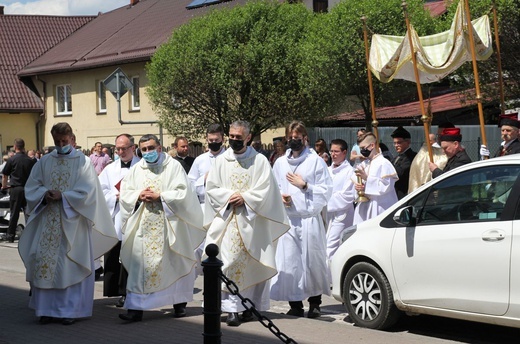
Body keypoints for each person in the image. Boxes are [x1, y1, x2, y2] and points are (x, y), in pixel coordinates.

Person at [18, 122, 118, 325]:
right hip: (47, 220)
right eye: (57, 141)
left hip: (73, 223)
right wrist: (44, 194)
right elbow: (32, 186)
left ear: (72, 139)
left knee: (69, 266)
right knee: (43, 263)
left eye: (64, 141)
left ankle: (70, 312)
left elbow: (88, 192)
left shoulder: (83, 162)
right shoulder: (44, 161)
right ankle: (45, 310)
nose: (61, 144)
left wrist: (64, 196)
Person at [204, 120, 290, 327]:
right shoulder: (221, 161)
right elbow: (212, 188)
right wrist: (228, 196)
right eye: (231, 136)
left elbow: (267, 190)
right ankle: (232, 309)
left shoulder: (259, 161)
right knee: (230, 262)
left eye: (238, 137)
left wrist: (246, 199)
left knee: (252, 264)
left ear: (248, 137)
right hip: (228, 222)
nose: (234, 140)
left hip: (252, 222)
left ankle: (249, 307)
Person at [118, 134, 205, 322]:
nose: (148, 152)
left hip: (169, 224)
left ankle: (178, 303)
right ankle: (135, 308)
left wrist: (161, 196)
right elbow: (126, 193)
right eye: (144, 149)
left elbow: (184, 193)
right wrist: (138, 195)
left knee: (174, 262)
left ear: (159, 148)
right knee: (139, 266)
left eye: (151, 148)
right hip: (144, 226)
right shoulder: (136, 169)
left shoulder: (173, 166)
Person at [271, 120, 332, 319]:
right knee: (290, 263)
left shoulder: (315, 161)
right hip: (290, 220)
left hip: (308, 219)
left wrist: (304, 185)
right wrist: (281, 196)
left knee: (311, 260)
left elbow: (326, 191)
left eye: (297, 138)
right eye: (290, 138)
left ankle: (315, 303)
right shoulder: (280, 163)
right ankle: (295, 303)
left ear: (305, 138)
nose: (293, 141)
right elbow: (274, 187)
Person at [98, 134, 140, 308]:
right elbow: (101, 190)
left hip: (137, 215)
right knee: (117, 254)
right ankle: (119, 291)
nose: (120, 152)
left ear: (133, 147)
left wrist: (133, 196)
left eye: (124, 148)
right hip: (117, 215)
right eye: (118, 149)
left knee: (133, 255)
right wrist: (114, 196)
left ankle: (131, 291)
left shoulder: (142, 166)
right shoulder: (110, 168)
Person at [353, 132, 398, 225]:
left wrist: (367, 178)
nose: (361, 151)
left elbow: (386, 186)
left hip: (380, 207)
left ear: (372, 145)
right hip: (364, 207)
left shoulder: (384, 163)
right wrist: (359, 187)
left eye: (363, 148)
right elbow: (357, 182)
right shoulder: (364, 164)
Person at [1, 139, 37, 243]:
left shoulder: (12, 160)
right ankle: (31, 236)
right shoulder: (30, 160)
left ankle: (10, 235)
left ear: (15, 147)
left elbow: (5, 175)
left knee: (14, 213)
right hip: (27, 189)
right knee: (28, 213)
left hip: (15, 189)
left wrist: (4, 186)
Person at [326, 139, 356, 260]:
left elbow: (347, 196)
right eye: (331, 151)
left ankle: (331, 277)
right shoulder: (327, 170)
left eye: (336, 151)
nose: (333, 154)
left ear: (344, 152)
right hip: (327, 215)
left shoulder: (350, 172)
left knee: (331, 248)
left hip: (342, 215)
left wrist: (325, 199)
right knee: (325, 245)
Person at [188, 124, 226, 207]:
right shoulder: (199, 160)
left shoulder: (230, 157)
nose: (214, 142)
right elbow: (190, 184)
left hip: (226, 205)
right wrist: (204, 179)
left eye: (216, 140)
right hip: (205, 205)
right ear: (206, 139)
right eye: (211, 140)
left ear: (223, 139)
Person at [408, 123, 452, 193]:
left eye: (441, 135)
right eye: (438, 135)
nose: (439, 138)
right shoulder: (424, 153)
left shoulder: (453, 156)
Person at [390, 126, 417, 199]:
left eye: (399, 143)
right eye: (394, 143)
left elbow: (401, 173)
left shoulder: (412, 156)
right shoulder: (396, 158)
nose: (396, 145)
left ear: (408, 142)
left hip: (405, 193)